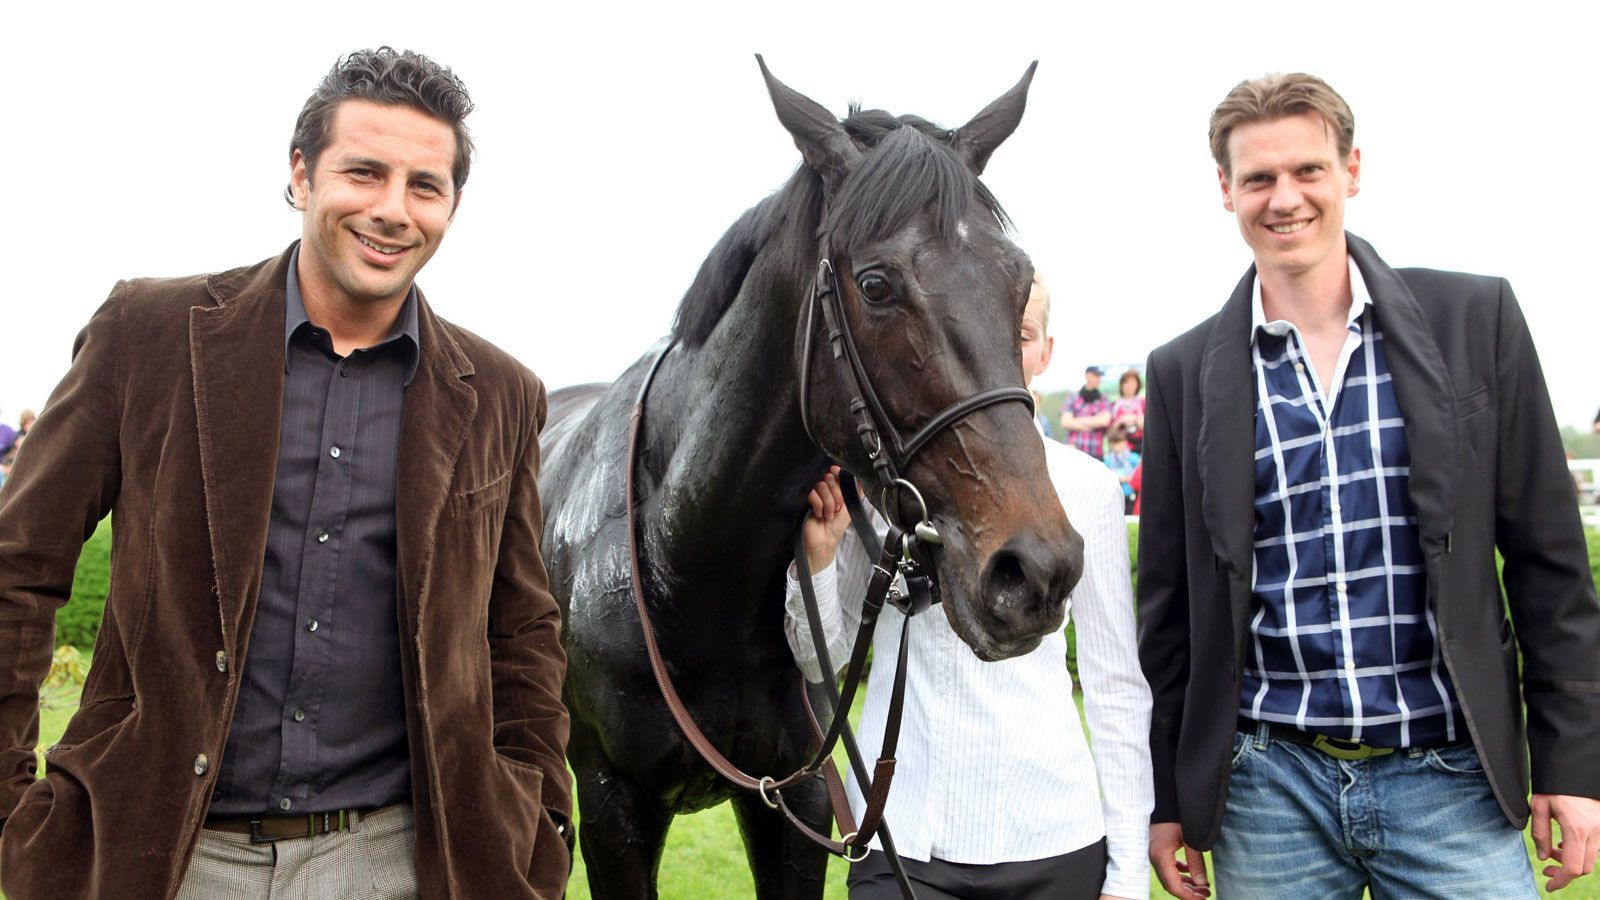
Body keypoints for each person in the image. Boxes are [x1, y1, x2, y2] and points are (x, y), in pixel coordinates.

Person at [0, 48, 572, 899]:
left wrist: (539, 817)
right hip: (163, 855)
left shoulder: (500, 394)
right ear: (301, 175)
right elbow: (19, 564)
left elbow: (521, 631)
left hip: (397, 858)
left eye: (425, 185)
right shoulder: (147, 334)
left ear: (452, 203)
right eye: (364, 172)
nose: (392, 210)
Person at [1137, 72, 1600, 899]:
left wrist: (1572, 764)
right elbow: (1168, 610)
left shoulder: (1474, 320)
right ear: (1226, 191)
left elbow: (1550, 563)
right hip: (1267, 788)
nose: (1285, 198)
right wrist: (1170, 799)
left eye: (1308, 170)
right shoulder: (1180, 373)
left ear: (1352, 169)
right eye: (1259, 179)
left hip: (1450, 776)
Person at [787, 273, 1153, 899]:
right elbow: (827, 658)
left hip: (1053, 837)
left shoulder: (1090, 487)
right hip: (900, 832)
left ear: (1046, 353)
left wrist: (1126, 870)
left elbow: (1114, 685)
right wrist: (819, 560)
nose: (1002, 346)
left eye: (1023, 334)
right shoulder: (882, 487)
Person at [1059, 365, 1111, 459]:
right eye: (1095, 375)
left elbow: (1104, 421)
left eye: (1099, 376)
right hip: (1075, 452)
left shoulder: (1103, 399)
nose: (1098, 379)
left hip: (1095, 453)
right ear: (1087, 375)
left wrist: (1076, 420)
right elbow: (1065, 422)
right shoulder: (1073, 397)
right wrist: (1094, 422)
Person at [1107, 370, 1145, 454]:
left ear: (1137, 385)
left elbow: (1150, 428)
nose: (1129, 386)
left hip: (1140, 448)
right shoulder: (1114, 405)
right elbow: (1108, 432)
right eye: (1126, 383)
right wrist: (1120, 421)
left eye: (1132, 383)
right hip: (1118, 449)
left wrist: (1136, 419)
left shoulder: (1143, 403)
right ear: (1121, 385)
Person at [1103, 433, 1140, 515]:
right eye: (1114, 443)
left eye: (1119, 442)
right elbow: (1105, 474)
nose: (1117, 445)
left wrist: (1128, 479)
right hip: (1115, 493)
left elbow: (1139, 472)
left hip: (1131, 492)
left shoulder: (1133, 457)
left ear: (1125, 442)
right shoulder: (1109, 459)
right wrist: (1118, 478)